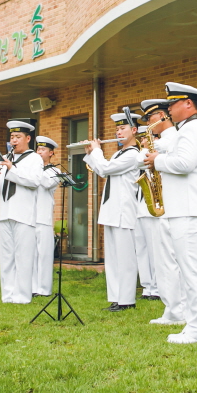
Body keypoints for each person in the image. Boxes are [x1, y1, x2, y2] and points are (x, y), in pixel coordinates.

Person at [144, 82, 197, 344]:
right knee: (188, 271)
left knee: (192, 272)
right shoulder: (187, 128)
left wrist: (157, 161)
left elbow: (185, 164)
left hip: (190, 209)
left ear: (188, 103)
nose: (169, 109)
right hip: (185, 208)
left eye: (172, 104)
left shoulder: (193, 128)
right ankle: (195, 326)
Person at [85, 112, 143, 312]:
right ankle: (117, 298)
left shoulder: (133, 154)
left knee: (125, 259)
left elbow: (106, 168)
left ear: (134, 130)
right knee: (112, 259)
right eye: (117, 129)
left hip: (124, 211)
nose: (118, 132)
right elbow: (102, 170)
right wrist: (90, 153)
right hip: (111, 210)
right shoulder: (119, 154)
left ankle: (127, 300)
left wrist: (97, 151)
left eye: (122, 128)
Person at [0, 120, 45, 304]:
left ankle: (22, 296)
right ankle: (8, 295)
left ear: (28, 138)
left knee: (24, 257)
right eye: (12, 137)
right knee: (7, 256)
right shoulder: (4, 158)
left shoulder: (34, 158)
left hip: (23, 213)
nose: (14, 141)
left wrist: (11, 168)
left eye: (18, 137)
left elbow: (34, 181)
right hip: (5, 213)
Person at [141, 98, 187, 327]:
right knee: (163, 261)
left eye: (150, 118)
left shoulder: (173, 138)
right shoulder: (161, 141)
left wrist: (151, 152)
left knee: (169, 261)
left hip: (172, 205)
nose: (147, 123)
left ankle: (177, 310)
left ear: (161, 116)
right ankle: (172, 309)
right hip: (164, 203)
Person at [134, 124, 160, 302]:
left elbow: (139, 160)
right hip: (140, 207)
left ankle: (157, 287)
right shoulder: (143, 153)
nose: (142, 141)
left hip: (154, 208)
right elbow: (137, 161)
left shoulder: (159, 152)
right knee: (142, 250)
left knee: (154, 249)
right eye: (142, 138)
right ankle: (147, 286)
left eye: (145, 138)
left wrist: (147, 147)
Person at [33, 136, 61, 297]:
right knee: (31, 254)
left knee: (44, 255)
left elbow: (46, 183)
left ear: (51, 153)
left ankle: (43, 289)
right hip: (30, 216)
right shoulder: (33, 169)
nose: (39, 152)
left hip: (43, 217)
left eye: (43, 150)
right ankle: (32, 286)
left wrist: (36, 167)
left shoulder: (55, 171)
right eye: (38, 149)